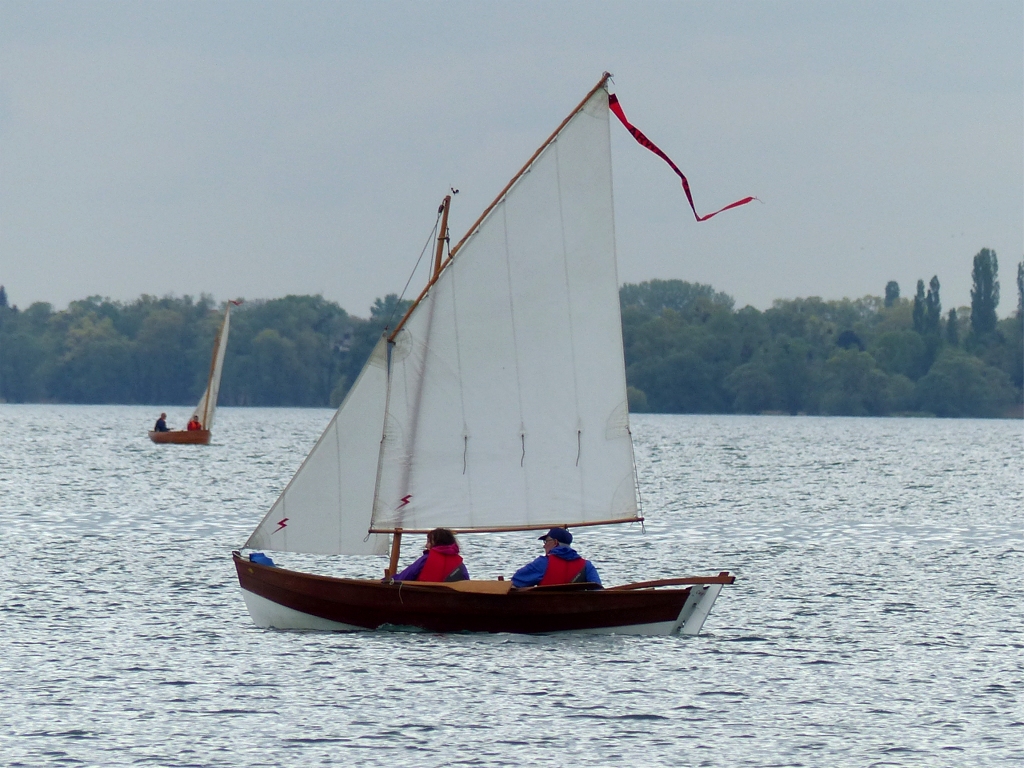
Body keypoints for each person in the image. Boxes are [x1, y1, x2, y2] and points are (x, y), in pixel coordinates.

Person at [511, 528, 601, 588]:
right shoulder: (586, 565)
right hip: (579, 609)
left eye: (546, 541)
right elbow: (598, 590)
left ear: (555, 542)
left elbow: (516, 582)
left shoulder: (542, 563)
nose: (544, 546)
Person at [392, 528, 469, 582]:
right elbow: (466, 583)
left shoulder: (425, 560)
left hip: (425, 600)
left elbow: (404, 577)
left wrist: (386, 580)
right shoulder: (460, 565)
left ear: (436, 543)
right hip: (452, 602)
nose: (426, 545)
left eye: (428, 542)